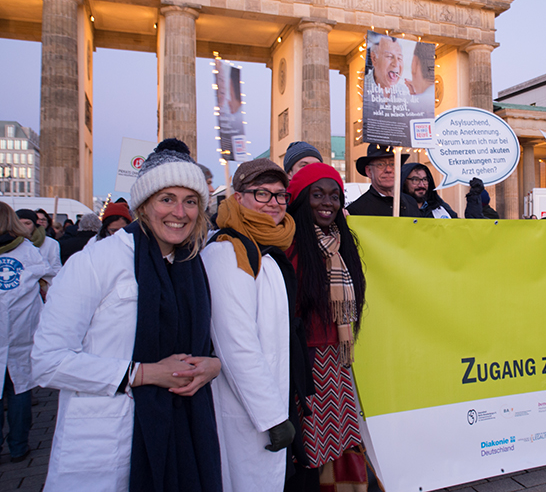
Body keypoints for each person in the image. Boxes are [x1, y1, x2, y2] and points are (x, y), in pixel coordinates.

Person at [31, 139, 222, 492]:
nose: (179, 212)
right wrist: (144, 374)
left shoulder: (193, 266)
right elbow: (46, 362)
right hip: (107, 445)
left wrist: (212, 365)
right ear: (144, 204)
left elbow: (198, 343)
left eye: (190, 201)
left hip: (183, 438)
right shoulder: (96, 261)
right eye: (167, 198)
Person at [201, 158, 303, 492]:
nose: (274, 203)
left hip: (273, 395)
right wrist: (272, 418)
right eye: (262, 193)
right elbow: (236, 343)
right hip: (248, 411)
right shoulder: (228, 252)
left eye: (279, 195)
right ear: (238, 197)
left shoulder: (267, 247)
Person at [284, 163, 369, 491]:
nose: (327, 202)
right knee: (310, 445)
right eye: (317, 194)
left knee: (339, 443)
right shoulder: (291, 245)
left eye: (334, 195)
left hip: (336, 357)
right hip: (305, 363)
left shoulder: (341, 243)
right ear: (302, 198)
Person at [0, 203, 49, 464]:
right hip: (20, 332)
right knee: (19, 390)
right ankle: (18, 447)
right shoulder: (27, 251)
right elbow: (45, 274)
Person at [346, 143, 419, 217]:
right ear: (369, 171)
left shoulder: (411, 203)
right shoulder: (356, 211)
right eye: (380, 164)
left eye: (393, 164)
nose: (388, 169)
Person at [16, 209, 61, 287]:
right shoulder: (10, 243)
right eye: (20, 224)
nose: (23, 227)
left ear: (34, 224)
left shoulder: (50, 243)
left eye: (27, 223)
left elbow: (56, 267)